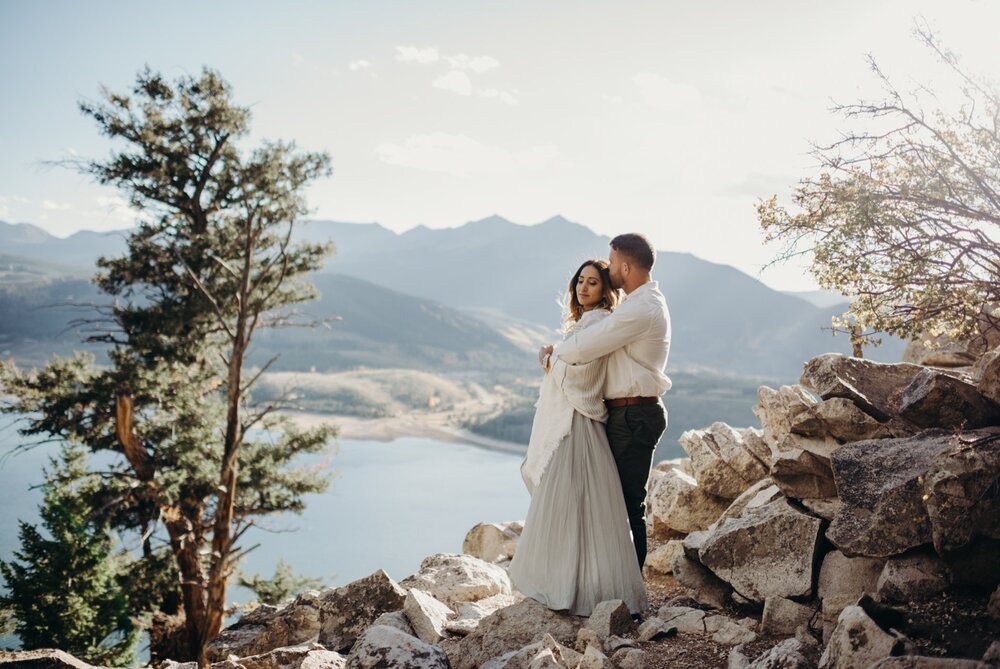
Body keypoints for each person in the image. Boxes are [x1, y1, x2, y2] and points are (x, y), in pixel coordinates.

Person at [509, 259, 648, 618]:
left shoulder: (599, 322)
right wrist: (556, 359)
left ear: (605, 290)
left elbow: (585, 378)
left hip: (578, 424)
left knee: (572, 505)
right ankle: (569, 584)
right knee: (573, 507)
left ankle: (572, 589)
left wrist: (548, 360)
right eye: (580, 282)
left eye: (592, 283)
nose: (583, 288)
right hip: (572, 421)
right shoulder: (586, 322)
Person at [541, 233, 670, 570]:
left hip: (634, 414)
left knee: (627, 506)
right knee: (615, 502)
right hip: (627, 413)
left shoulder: (642, 308)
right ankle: (613, 579)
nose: (609, 267)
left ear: (625, 266)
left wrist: (553, 355)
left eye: (611, 263)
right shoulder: (637, 304)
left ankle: (632, 590)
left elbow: (589, 345)